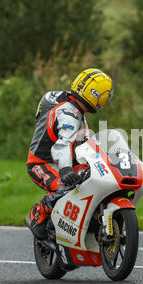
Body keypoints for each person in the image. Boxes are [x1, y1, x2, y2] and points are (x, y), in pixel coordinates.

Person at [25, 68, 114, 240]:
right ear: (98, 96)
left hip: (66, 161)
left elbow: (84, 140)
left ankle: (86, 223)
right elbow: (63, 144)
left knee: (95, 179)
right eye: (105, 96)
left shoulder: (64, 100)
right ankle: (38, 212)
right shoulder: (70, 115)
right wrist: (65, 169)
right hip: (42, 163)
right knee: (66, 188)